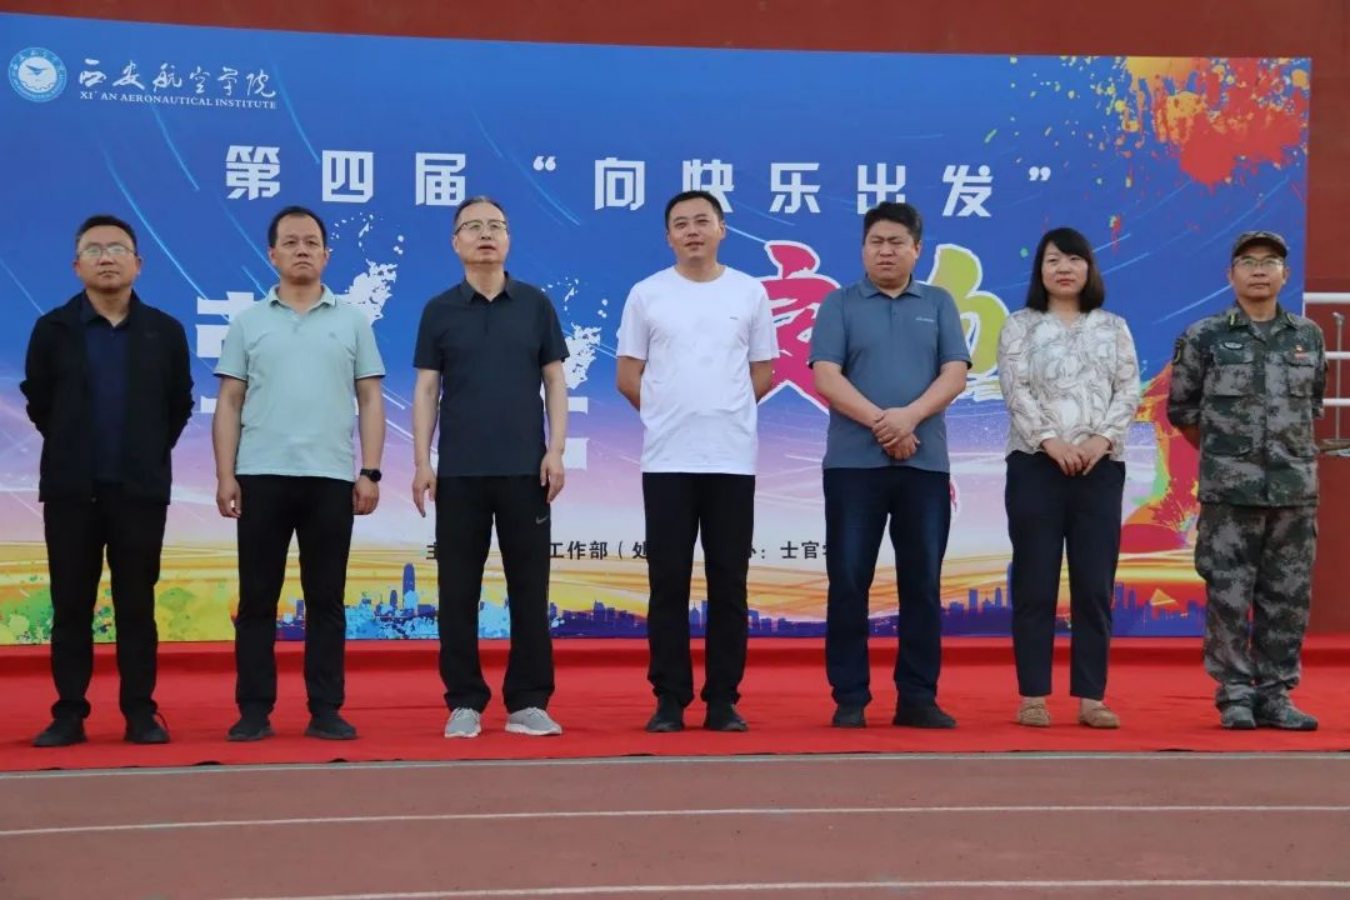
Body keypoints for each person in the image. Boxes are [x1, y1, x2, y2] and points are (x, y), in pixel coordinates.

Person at [213, 205, 386, 742]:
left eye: (311, 241)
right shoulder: (248, 322)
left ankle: (325, 708)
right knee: (257, 599)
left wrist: (371, 471)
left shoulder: (352, 321)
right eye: (290, 242)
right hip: (260, 474)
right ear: (272, 254)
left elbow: (370, 398)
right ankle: (254, 710)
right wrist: (225, 475)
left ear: (327, 254)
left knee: (326, 600)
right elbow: (230, 401)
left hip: (330, 479)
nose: (302, 250)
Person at [21, 214, 194, 747]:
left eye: (117, 248)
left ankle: (140, 712)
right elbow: (39, 400)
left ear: (138, 263)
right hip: (72, 491)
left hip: (139, 492)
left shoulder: (164, 331)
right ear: (77, 266)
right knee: (71, 605)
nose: (106, 257)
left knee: (136, 605)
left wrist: (144, 452)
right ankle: (69, 713)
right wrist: (75, 446)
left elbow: (178, 404)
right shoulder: (53, 329)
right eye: (94, 249)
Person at [616, 190, 777, 733]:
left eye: (702, 221)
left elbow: (763, 372)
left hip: (731, 460)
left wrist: (724, 413)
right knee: (668, 583)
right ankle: (669, 698)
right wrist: (668, 415)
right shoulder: (647, 294)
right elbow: (628, 376)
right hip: (667, 461)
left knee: (729, 583)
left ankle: (723, 699)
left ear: (722, 229)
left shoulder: (749, 291)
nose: (692, 231)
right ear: (668, 237)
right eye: (680, 224)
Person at [809, 201, 971, 729]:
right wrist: (885, 424)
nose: (885, 251)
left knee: (921, 583)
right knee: (848, 580)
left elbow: (954, 374)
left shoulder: (939, 303)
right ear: (863, 248)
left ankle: (917, 697)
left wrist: (909, 418)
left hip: (925, 466)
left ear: (916, 249)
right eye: (875, 242)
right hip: (853, 467)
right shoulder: (839, 303)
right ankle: (850, 697)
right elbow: (826, 377)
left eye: (896, 242)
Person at [412, 196, 569, 739]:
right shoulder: (439, 310)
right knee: (457, 590)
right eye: (473, 227)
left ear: (508, 239)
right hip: (459, 473)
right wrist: (422, 462)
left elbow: (554, 381)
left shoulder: (535, 304)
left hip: (526, 471)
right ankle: (464, 701)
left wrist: (556, 449)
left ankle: (528, 701)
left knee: (529, 588)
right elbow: (427, 389)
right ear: (455, 242)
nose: (485, 234)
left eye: (496, 226)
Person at [1167, 230, 1325, 731]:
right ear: (1230, 275)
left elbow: (1312, 405)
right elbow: (1183, 409)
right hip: (1230, 493)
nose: (1259, 269)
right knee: (1229, 596)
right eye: (1248, 261)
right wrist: (1229, 455)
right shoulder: (1205, 336)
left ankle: (1276, 695)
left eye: (1270, 261)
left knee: (1287, 599)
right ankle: (1234, 695)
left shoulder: (1307, 336)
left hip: (1294, 492)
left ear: (1285, 274)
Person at [996, 227, 1141, 729]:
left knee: (1094, 585)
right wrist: (1051, 442)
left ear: (1089, 269)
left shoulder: (1114, 327)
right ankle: (1033, 695)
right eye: (1053, 259)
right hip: (1036, 464)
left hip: (1101, 467)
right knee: (1035, 583)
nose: (1064, 268)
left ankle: (1091, 697)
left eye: (1074, 259)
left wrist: (1100, 441)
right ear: (1039, 270)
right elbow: (1015, 390)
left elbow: (1129, 391)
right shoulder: (1019, 325)